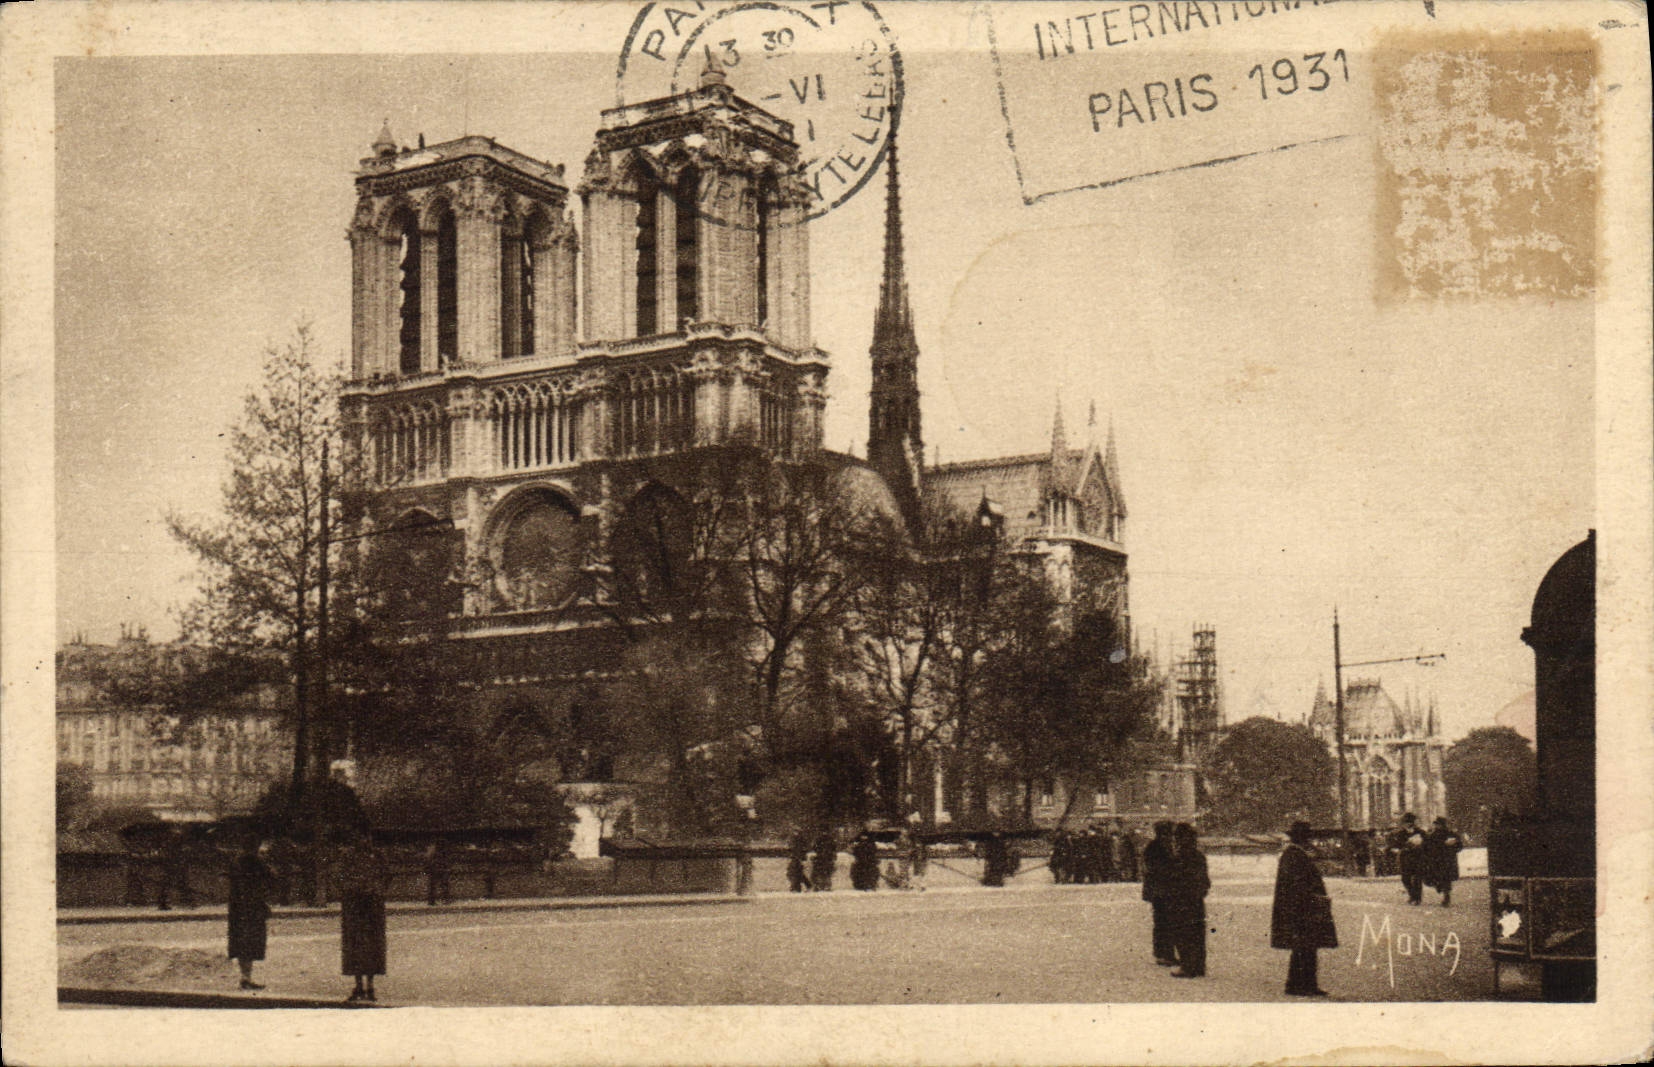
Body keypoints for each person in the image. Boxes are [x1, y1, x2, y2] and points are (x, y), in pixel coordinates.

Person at [1272, 820, 1338, 997]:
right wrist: (1313, 897)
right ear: (1302, 839)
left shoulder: (1293, 854)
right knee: (1305, 948)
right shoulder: (1295, 855)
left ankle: (1301, 984)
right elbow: (1298, 884)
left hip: (1300, 907)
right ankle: (1302, 985)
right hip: (1302, 908)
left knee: (1305, 948)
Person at [338, 831, 388, 1003]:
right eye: (361, 836)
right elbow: (341, 878)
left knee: (373, 947)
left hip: (372, 906)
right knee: (356, 947)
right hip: (355, 906)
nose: (365, 839)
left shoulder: (378, 855)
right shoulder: (349, 857)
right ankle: (358, 985)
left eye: (367, 836)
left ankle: (370, 985)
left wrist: (377, 890)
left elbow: (386, 876)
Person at [226, 838, 274, 990]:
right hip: (253, 907)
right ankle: (246, 978)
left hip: (237, 908)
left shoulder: (236, 861)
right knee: (251, 941)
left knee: (241, 942)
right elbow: (272, 876)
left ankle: (245, 977)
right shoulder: (256, 861)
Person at [1168, 823, 1210, 978]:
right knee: (1198, 933)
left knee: (1183, 933)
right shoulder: (1199, 855)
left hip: (1181, 901)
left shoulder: (1179, 856)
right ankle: (1199, 966)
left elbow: (1174, 880)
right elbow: (1205, 882)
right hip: (1197, 901)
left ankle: (1187, 966)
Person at [1140, 821, 1178, 966]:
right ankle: (1165, 954)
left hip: (1160, 890)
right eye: (1168, 833)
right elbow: (1156, 869)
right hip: (1161, 890)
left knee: (1162, 922)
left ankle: (1162, 953)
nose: (1170, 836)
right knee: (1165, 922)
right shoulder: (1157, 847)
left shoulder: (1156, 846)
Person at [1422, 816, 1463, 906]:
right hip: (1437, 861)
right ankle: (1442, 890)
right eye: (1436, 824)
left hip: (1447, 860)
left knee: (1446, 879)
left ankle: (1446, 898)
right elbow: (1427, 847)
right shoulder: (1432, 835)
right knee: (1439, 879)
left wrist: (1453, 845)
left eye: (1439, 824)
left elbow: (1459, 846)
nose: (1437, 826)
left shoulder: (1450, 834)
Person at [1388, 813, 1427, 905]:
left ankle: (1417, 898)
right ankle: (1412, 894)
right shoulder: (1399, 833)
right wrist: (1404, 845)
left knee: (1417, 878)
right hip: (1405, 858)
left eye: (1411, 823)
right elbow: (1395, 844)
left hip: (1418, 857)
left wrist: (1420, 845)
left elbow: (1427, 844)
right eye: (1406, 823)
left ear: (1414, 823)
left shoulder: (1421, 832)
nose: (1408, 825)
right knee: (1405, 878)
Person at [424, 837, 453, 906]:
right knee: (436, 886)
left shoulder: (440, 851)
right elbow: (429, 861)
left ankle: (443, 900)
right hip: (436, 870)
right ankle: (434, 901)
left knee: (442, 885)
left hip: (439, 870)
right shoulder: (433, 851)